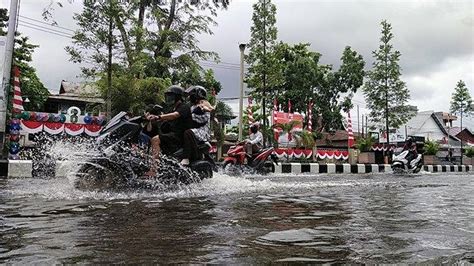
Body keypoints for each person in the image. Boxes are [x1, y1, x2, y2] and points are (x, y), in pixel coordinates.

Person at [145, 85, 192, 174]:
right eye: (167, 96)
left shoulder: (184, 107)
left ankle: (153, 170)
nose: (168, 98)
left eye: (171, 96)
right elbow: (165, 119)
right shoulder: (172, 108)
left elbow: (175, 115)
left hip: (178, 136)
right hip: (171, 135)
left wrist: (158, 117)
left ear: (178, 97)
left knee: (155, 140)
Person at [180, 86, 214, 165]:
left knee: (188, 132)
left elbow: (201, 120)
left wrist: (199, 110)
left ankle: (186, 158)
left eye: (192, 95)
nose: (190, 97)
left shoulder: (203, 104)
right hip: (196, 128)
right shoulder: (192, 106)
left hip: (202, 131)